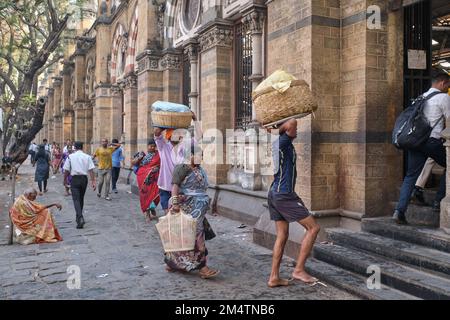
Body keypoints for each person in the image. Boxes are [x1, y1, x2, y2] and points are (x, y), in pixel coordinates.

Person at [267, 118, 321, 288]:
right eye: (293, 129)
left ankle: (274, 277)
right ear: (286, 130)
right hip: (284, 195)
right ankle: (298, 270)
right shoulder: (282, 141)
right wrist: (279, 128)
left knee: (282, 235)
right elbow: (292, 121)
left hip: (275, 193)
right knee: (313, 228)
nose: (296, 129)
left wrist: (276, 129)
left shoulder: (283, 142)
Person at [393, 70, 450, 224]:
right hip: (432, 141)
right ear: (442, 83)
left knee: (410, 176)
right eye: (447, 85)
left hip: (416, 141)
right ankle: (439, 201)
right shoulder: (444, 97)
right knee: (449, 166)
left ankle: (399, 211)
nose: (447, 88)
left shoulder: (422, 96)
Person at [164, 143, 219, 279]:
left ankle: (173, 263)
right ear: (191, 156)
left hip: (198, 207)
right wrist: (175, 204)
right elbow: (175, 187)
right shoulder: (182, 168)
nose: (201, 158)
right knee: (196, 235)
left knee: (188, 235)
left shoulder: (200, 170)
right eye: (199, 155)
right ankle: (203, 267)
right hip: (188, 207)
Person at [153, 112, 200, 213]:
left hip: (181, 187)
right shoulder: (163, 147)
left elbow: (198, 137)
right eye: (172, 136)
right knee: (168, 214)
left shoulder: (184, 146)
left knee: (181, 215)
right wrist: (166, 121)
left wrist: (195, 120)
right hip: (165, 186)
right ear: (168, 138)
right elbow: (157, 133)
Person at [63, 141, 96, 229]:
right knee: (81, 198)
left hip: (75, 179)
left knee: (76, 199)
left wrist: (65, 180)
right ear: (82, 147)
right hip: (84, 179)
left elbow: (66, 170)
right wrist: (93, 181)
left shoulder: (70, 157)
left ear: (75, 147)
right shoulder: (87, 157)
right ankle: (78, 218)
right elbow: (91, 170)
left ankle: (80, 217)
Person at [132, 139, 160, 221]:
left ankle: (152, 207)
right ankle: (147, 213)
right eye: (151, 146)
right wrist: (139, 158)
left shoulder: (159, 155)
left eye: (154, 146)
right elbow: (133, 163)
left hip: (154, 178)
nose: (152, 148)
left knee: (156, 194)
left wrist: (157, 168)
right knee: (145, 195)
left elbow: (161, 164)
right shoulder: (142, 155)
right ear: (147, 146)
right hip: (143, 178)